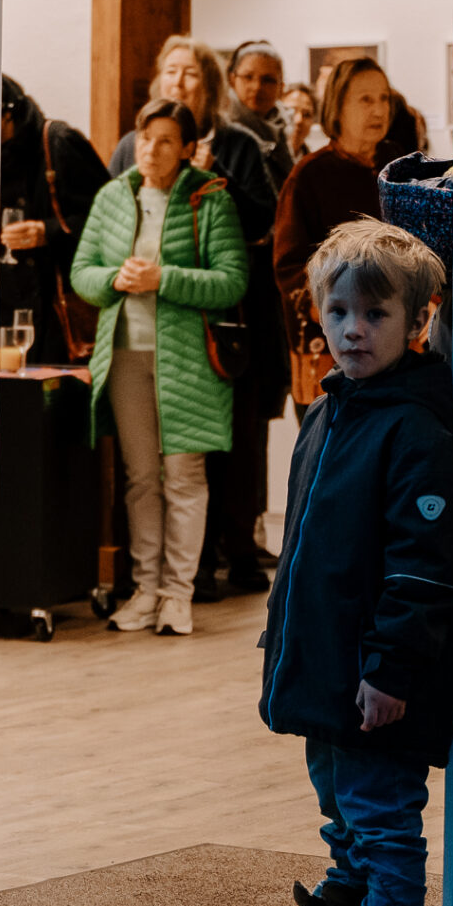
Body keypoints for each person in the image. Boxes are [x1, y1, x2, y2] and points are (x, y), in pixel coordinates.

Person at [249, 220, 453, 906]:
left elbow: (425, 568)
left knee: (382, 817)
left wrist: (390, 668)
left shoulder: (414, 429)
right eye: (339, 311)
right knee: (341, 804)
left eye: (375, 314)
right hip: (326, 667)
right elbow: (306, 548)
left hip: (375, 677)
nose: (353, 330)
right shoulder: (329, 411)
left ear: (418, 319)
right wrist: (282, 638)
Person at [109, 37, 282, 597]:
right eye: (171, 72)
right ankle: (157, 576)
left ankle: (221, 558)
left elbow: (264, 219)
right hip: (141, 328)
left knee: (222, 448)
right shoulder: (132, 146)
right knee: (148, 463)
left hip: (220, 323)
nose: (179, 82)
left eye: (191, 74)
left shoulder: (236, 144)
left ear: (209, 87)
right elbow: (108, 219)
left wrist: (211, 181)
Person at [70, 98, 249, 637]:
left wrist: (163, 279)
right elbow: (82, 272)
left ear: (189, 148)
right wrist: (113, 280)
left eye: (167, 140)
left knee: (185, 476)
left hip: (189, 360)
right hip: (124, 354)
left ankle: (178, 594)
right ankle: (146, 590)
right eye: (146, 138)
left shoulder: (210, 198)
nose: (151, 149)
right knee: (141, 477)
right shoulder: (112, 195)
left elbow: (232, 281)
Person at [0, 61, 109, 364]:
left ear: (6, 110)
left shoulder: (57, 143)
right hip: (5, 314)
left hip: (56, 314)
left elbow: (110, 219)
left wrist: (47, 231)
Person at [273, 57, 394, 403]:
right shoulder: (309, 176)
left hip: (393, 340)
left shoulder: (396, 165)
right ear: (338, 107)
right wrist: (338, 312)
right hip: (331, 345)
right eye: (365, 99)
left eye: (384, 98)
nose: (378, 110)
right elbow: (290, 268)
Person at [226, 40, 295, 188]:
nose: (257, 87)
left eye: (267, 80)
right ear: (232, 80)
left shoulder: (281, 129)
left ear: (281, 87)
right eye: (248, 77)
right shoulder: (221, 131)